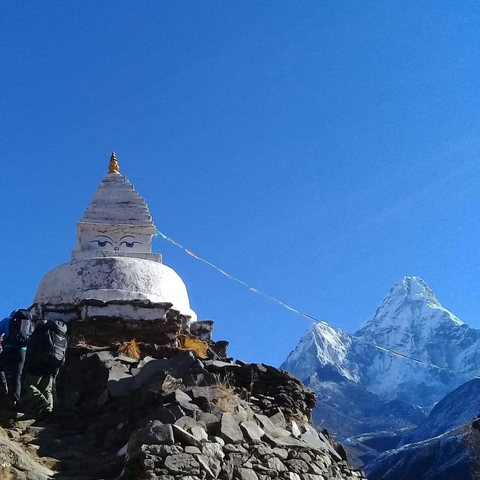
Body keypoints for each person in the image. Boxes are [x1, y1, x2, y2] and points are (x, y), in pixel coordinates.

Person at [23, 318, 67, 417]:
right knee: (47, 389)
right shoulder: (61, 335)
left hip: (39, 363)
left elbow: (32, 347)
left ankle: (42, 402)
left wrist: (30, 362)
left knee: (28, 384)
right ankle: (49, 410)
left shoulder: (41, 332)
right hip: (54, 365)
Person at [0, 309, 33, 409]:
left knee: (0, 367)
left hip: (8, 349)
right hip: (22, 352)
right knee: (17, 376)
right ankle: (13, 401)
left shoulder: (7, 320)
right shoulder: (29, 324)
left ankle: (2, 384)